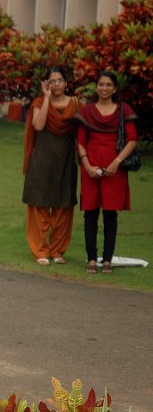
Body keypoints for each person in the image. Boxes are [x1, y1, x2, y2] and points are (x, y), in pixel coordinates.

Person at [73, 70, 138, 274]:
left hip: (114, 168)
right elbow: (80, 141)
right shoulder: (87, 111)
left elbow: (132, 139)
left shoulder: (124, 110)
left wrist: (116, 162)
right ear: (96, 86)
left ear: (115, 88)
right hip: (90, 167)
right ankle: (92, 259)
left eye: (109, 85)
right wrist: (87, 165)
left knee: (110, 214)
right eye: (101, 84)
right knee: (90, 214)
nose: (104, 88)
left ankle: (108, 260)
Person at [22, 66, 79, 266]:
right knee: (40, 204)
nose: (56, 84)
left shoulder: (75, 103)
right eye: (52, 81)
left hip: (66, 160)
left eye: (59, 80)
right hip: (43, 159)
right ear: (46, 84)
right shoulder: (39, 102)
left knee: (64, 205)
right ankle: (40, 250)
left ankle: (57, 250)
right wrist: (46, 98)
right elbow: (38, 125)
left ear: (66, 83)